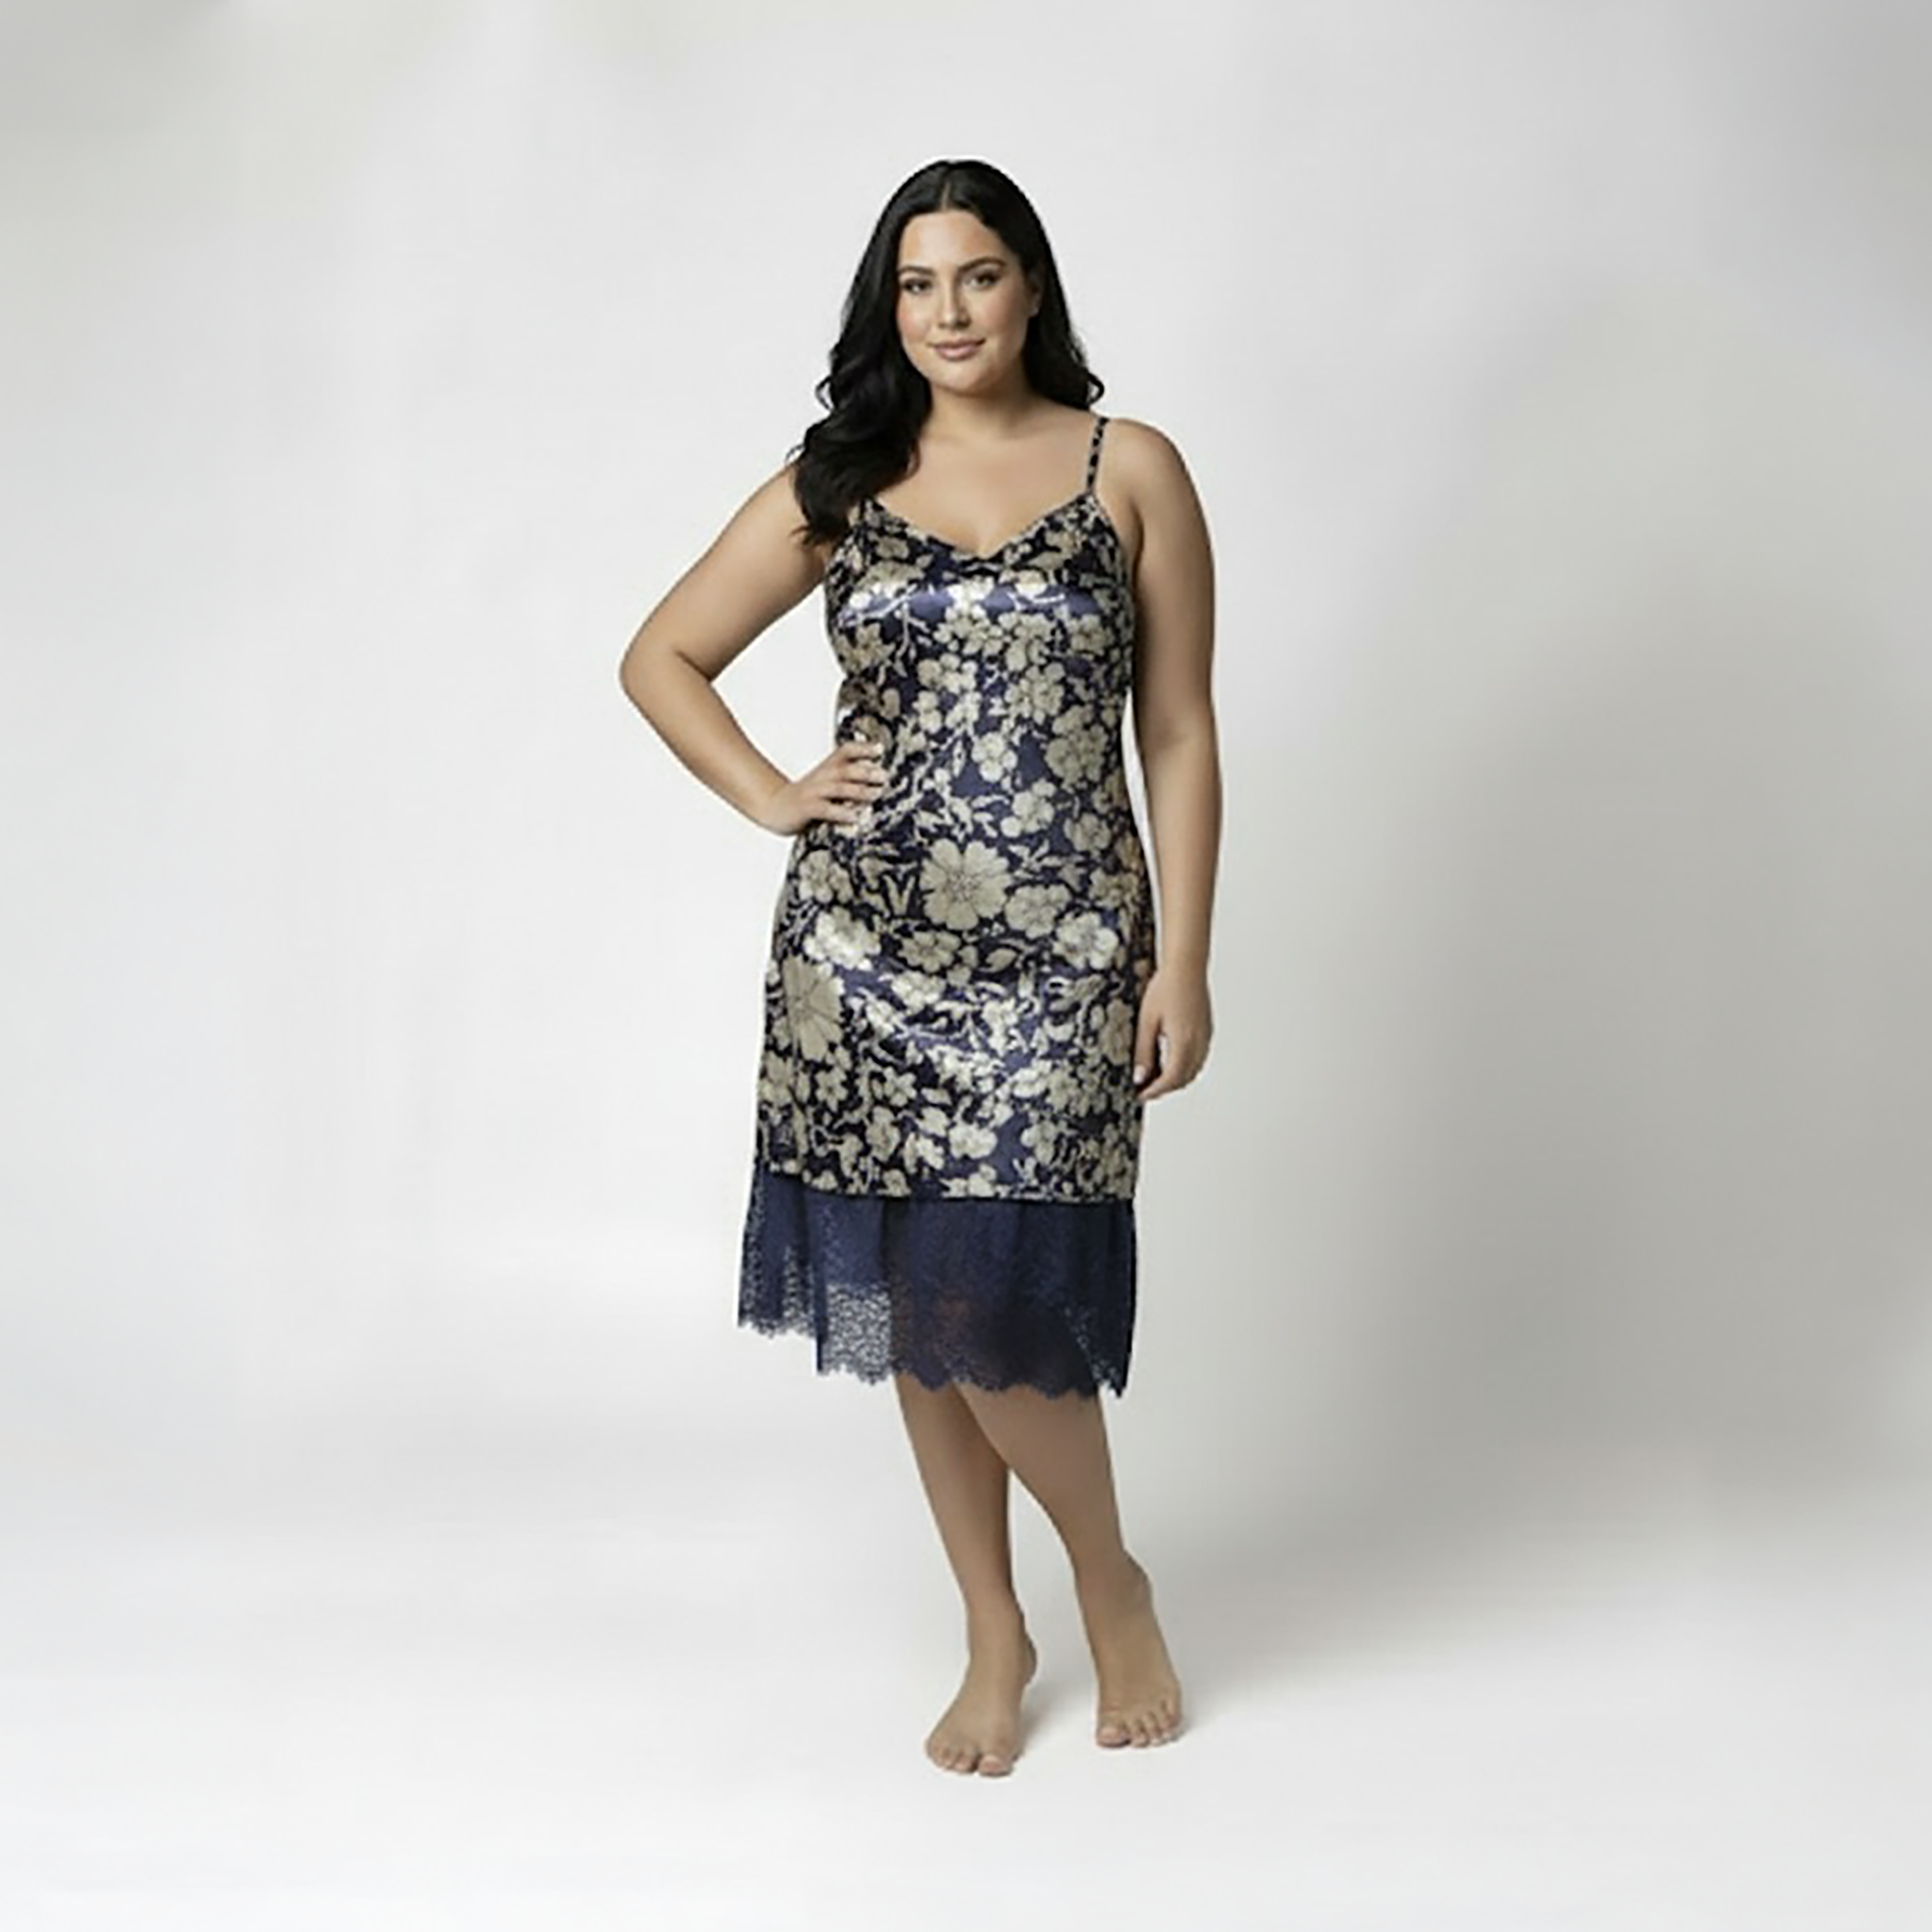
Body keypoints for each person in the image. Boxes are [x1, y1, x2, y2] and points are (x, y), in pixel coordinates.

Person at [618, 157, 1221, 1777]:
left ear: (1030, 287)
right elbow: (661, 655)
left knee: (988, 1293)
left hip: (1071, 948)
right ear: (889, 308)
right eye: (916, 283)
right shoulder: (843, 479)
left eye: (977, 275)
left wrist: (1183, 957)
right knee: (919, 1299)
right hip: (863, 951)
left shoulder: (1129, 468)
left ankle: (1109, 1581)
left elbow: (1175, 727)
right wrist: (772, 793)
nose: (948, 311)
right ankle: (992, 1627)